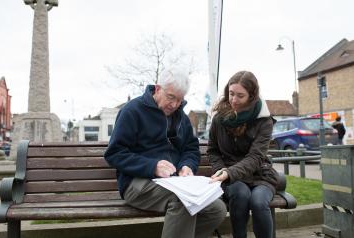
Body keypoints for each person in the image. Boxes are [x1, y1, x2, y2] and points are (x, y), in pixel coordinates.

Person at [104, 69, 227, 238]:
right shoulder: (132, 111)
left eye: (180, 99)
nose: (175, 104)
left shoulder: (181, 118)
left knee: (217, 209)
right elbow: (115, 153)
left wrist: (187, 165)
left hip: (174, 183)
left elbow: (190, 148)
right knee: (183, 201)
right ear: (157, 89)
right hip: (137, 183)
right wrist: (152, 166)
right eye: (171, 97)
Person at [209, 71, 279, 238]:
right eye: (231, 93)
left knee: (258, 202)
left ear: (251, 96)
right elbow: (213, 150)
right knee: (240, 194)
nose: (233, 100)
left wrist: (229, 172)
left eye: (240, 96)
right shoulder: (219, 118)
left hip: (259, 175)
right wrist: (222, 171)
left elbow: (256, 157)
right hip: (231, 176)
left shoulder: (264, 120)